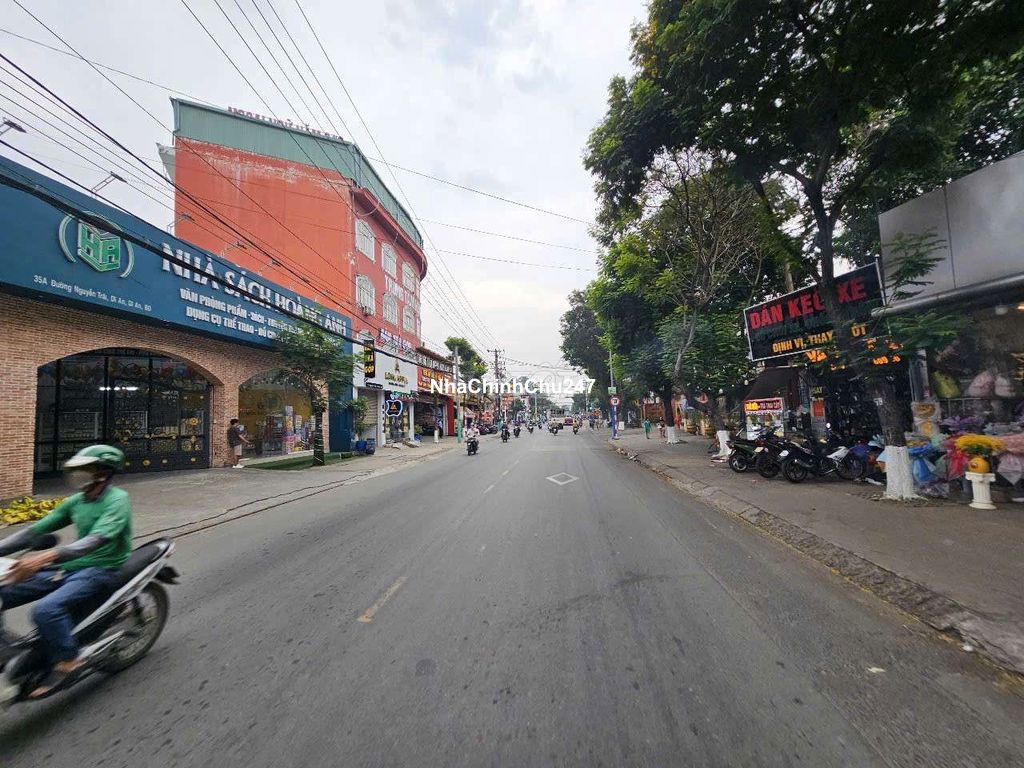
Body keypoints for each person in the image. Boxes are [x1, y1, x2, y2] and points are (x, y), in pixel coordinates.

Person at [0, 445, 132, 698]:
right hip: (68, 567)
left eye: (85, 469)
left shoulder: (118, 500)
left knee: (46, 610)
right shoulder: (77, 501)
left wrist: (47, 556)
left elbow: (95, 540)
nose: (77, 475)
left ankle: (70, 659)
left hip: (101, 568)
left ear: (104, 473)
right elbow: (33, 532)